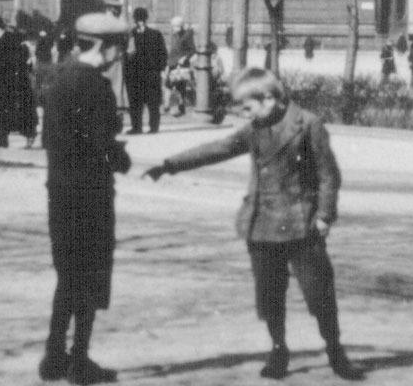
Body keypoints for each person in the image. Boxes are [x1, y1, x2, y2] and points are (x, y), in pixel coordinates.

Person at [144, 69, 363, 380]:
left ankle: (335, 351)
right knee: (270, 295)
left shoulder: (308, 125)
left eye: (247, 106)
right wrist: (168, 165)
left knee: (319, 293)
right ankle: (278, 351)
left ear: (269, 99)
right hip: (261, 225)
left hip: (301, 226)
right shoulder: (255, 129)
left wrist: (325, 215)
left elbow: (329, 175)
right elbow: (219, 148)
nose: (242, 113)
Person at [37, 12, 134, 384]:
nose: (118, 55)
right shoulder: (95, 86)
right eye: (117, 47)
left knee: (67, 277)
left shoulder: (59, 78)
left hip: (60, 192)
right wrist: (120, 157)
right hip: (90, 195)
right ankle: (79, 363)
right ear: (105, 46)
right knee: (89, 278)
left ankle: (52, 357)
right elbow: (102, 145)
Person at [0, 16, 36, 147]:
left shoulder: (9, 40)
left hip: (10, 83)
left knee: (18, 110)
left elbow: (14, 61)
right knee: (0, 111)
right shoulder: (0, 40)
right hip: (1, 83)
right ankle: (2, 139)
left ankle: (28, 136)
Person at [124, 7, 167, 134]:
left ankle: (147, 127)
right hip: (139, 74)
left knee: (149, 101)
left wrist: (159, 69)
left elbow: (162, 53)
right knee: (139, 102)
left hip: (145, 73)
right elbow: (163, 53)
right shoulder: (133, 34)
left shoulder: (151, 34)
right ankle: (143, 127)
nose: (139, 21)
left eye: (140, 19)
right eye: (138, 19)